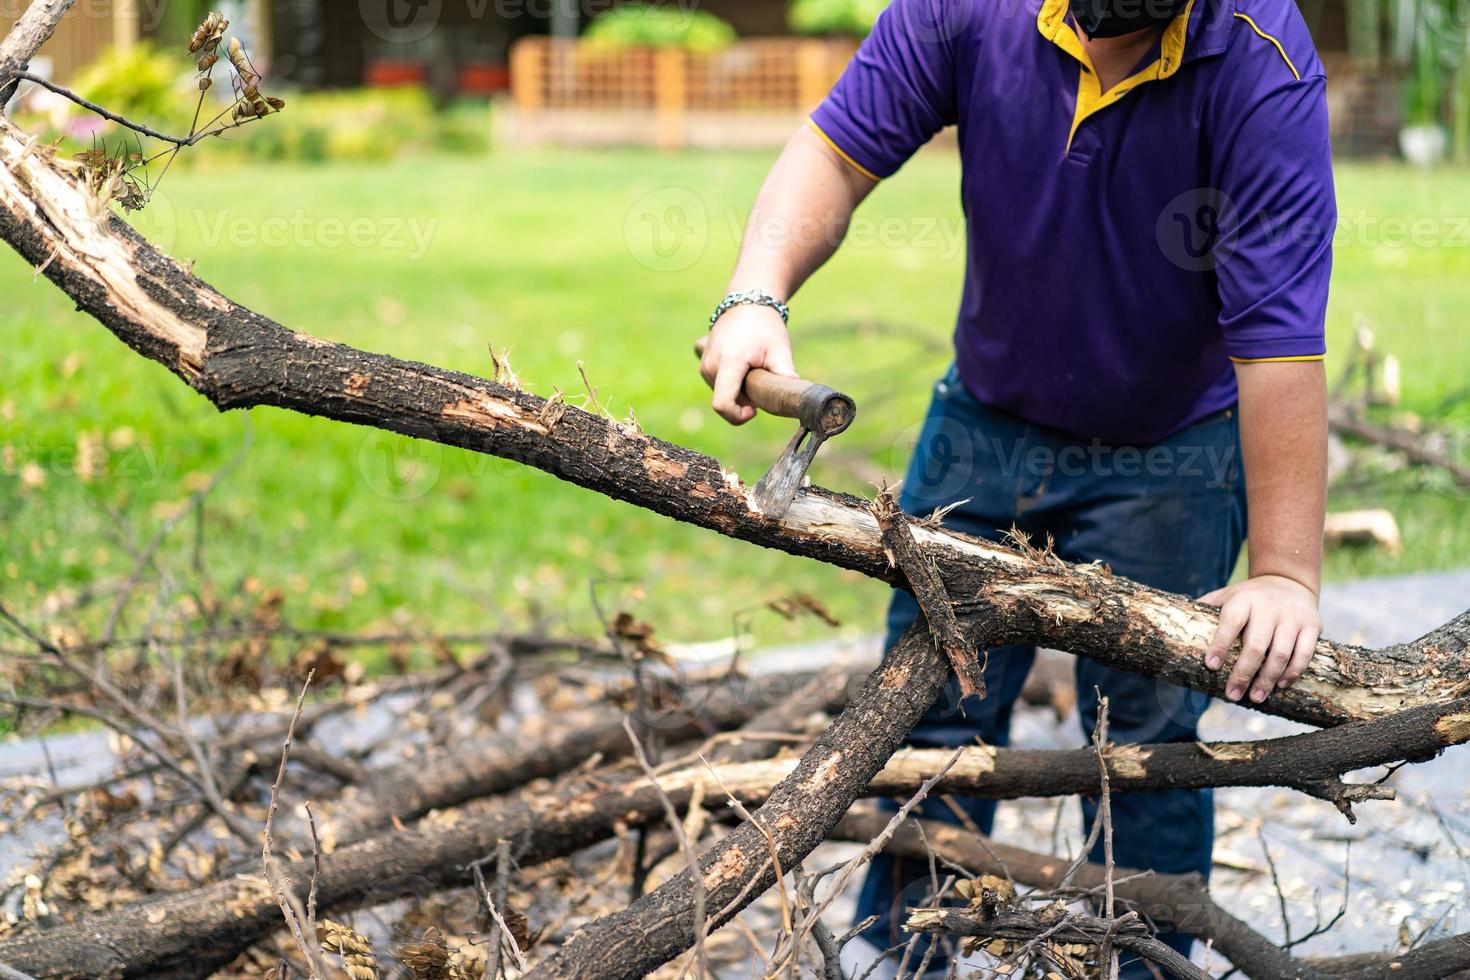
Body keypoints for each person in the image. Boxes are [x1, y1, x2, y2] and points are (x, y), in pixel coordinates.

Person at [698, 0, 1334, 974]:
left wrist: (1287, 571)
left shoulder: (1261, 63)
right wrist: (753, 294)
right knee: (930, 708)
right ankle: (905, 951)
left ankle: (1142, 961)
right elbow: (834, 151)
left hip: (1171, 450)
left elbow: (1279, 339)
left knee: (1147, 743)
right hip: (984, 421)